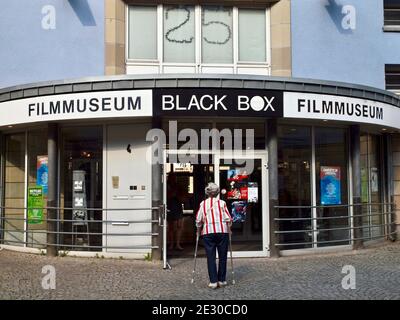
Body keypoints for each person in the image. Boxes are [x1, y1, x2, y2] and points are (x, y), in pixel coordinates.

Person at [195, 182, 232, 289]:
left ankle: (213, 282)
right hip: (222, 231)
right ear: (217, 193)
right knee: (222, 256)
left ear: (207, 193)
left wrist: (198, 231)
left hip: (208, 232)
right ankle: (222, 280)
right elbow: (228, 218)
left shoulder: (203, 204)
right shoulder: (222, 203)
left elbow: (198, 220)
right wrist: (229, 229)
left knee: (210, 257)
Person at [167, 174, 184, 251]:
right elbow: (166, 196)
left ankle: (177, 244)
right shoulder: (166, 186)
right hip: (169, 207)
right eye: (172, 178)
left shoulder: (178, 186)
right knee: (171, 227)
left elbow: (183, 196)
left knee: (179, 226)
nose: (173, 179)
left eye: (174, 178)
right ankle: (171, 244)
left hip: (178, 208)